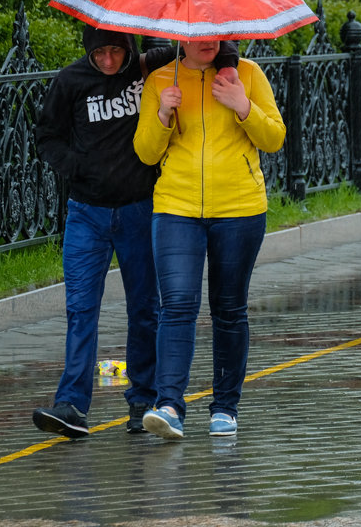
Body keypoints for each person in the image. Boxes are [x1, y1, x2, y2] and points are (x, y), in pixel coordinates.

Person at [31, 27, 237, 438]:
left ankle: (142, 398)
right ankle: (72, 404)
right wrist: (78, 167)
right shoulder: (70, 81)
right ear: (87, 51)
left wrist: (229, 64)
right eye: (99, 53)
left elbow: (204, 41)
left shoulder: (147, 67)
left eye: (116, 51)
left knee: (145, 309)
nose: (108, 61)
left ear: (129, 49)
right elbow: (46, 137)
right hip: (86, 213)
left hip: (139, 211)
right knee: (80, 309)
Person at [133, 39, 284, 440]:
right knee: (178, 304)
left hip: (240, 208)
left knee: (229, 309)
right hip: (176, 207)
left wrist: (242, 105)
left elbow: (274, 138)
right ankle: (169, 405)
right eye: (198, 35)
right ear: (182, 37)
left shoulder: (248, 75)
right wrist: (164, 113)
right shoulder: (161, 80)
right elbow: (146, 153)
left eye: (214, 35)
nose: (207, 43)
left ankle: (225, 409)